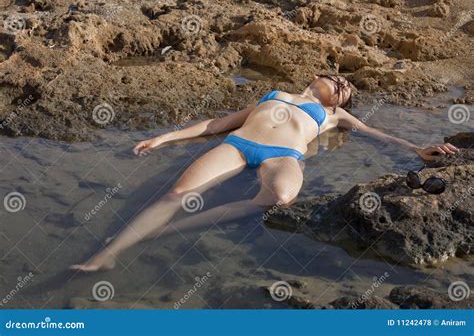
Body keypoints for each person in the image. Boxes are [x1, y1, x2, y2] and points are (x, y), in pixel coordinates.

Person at [70, 74, 459, 272]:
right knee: (174, 195)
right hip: (237, 145)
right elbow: (217, 123)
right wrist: (165, 138)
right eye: (336, 77)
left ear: (342, 102)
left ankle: (165, 232)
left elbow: (376, 133)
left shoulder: (335, 115)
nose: (339, 84)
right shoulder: (273, 94)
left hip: (282, 155)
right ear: (313, 77)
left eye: (344, 88)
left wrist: (416, 149)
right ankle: (108, 254)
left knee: (279, 197)